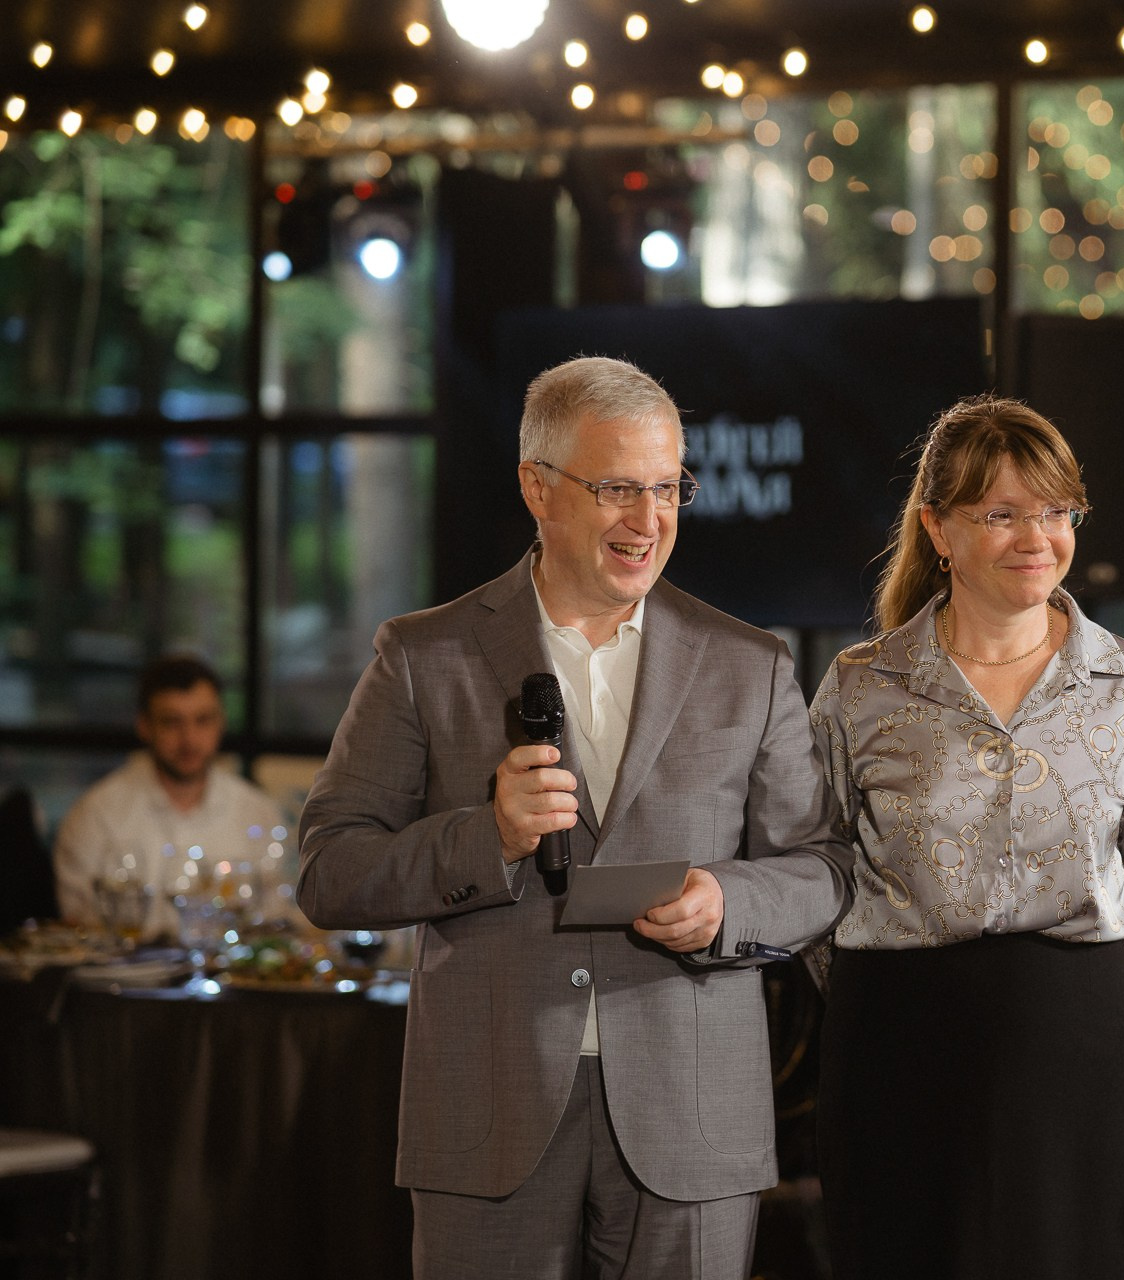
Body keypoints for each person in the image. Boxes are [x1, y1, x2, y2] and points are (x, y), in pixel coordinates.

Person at [296, 357, 853, 1280]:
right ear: (537, 489)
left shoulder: (747, 663)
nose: (650, 521)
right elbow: (329, 869)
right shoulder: (423, 655)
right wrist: (491, 835)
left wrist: (727, 901)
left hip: (693, 1117)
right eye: (619, 489)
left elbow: (825, 868)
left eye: (669, 488)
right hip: (489, 1113)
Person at [809, 394, 1124, 1280]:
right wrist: (906, 983)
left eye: (1057, 512)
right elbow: (814, 871)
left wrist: (1049, 990)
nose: (1037, 538)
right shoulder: (862, 686)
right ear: (938, 528)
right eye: (1002, 514)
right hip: (896, 1035)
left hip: (1073, 1036)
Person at [54, 654, 290, 941]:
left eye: (203, 720)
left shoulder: (257, 812)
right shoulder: (97, 814)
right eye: (171, 722)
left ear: (221, 723)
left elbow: (277, 919)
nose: (189, 739)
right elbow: (81, 925)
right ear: (144, 725)